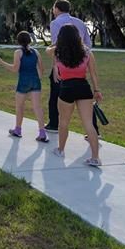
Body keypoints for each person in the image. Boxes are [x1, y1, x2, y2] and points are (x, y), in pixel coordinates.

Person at [47, 24, 103, 167]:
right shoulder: (87, 52)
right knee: (89, 124)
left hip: (66, 88)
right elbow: (93, 74)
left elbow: (47, 49)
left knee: (63, 123)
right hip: (84, 88)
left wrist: (57, 42)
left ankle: (61, 150)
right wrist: (97, 90)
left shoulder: (57, 51)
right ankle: (95, 158)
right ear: (78, 36)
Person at [45, 0, 99, 138]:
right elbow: (87, 43)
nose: (52, 10)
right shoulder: (80, 23)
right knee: (85, 98)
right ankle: (94, 130)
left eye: (53, 8)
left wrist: (55, 66)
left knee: (56, 94)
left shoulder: (55, 23)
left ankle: (54, 123)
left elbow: (57, 45)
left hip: (63, 63)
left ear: (57, 8)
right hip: (80, 62)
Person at [0, 31, 48, 142]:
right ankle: (42, 133)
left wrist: (1, 62)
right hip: (35, 81)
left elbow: (15, 69)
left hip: (23, 82)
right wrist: (38, 78)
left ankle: (18, 130)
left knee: (19, 107)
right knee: (37, 108)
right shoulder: (36, 52)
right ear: (29, 40)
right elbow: (42, 69)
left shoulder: (18, 52)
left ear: (18, 41)